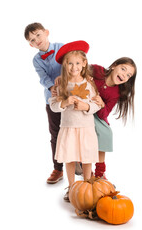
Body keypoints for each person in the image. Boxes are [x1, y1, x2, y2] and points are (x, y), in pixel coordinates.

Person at [48, 40, 101, 201]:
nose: (74, 67)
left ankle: (86, 185)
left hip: (86, 127)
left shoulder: (89, 83)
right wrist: (64, 103)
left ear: (84, 63)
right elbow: (54, 105)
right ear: (64, 65)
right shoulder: (61, 85)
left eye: (77, 63)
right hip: (68, 127)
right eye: (69, 63)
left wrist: (86, 106)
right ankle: (71, 188)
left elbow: (96, 104)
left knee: (86, 159)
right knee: (69, 158)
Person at [24, 22, 64, 183]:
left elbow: (73, 65)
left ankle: (81, 165)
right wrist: (52, 86)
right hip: (52, 99)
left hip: (71, 95)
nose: (36, 40)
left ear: (46, 32)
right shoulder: (36, 60)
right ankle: (58, 168)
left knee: (76, 130)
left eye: (38, 35)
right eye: (32, 40)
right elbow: (43, 77)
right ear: (30, 45)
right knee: (55, 134)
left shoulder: (61, 47)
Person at [90, 57, 137, 178]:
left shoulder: (115, 93)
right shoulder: (97, 70)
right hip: (81, 105)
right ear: (113, 66)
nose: (124, 75)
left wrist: (101, 104)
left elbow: (104, 114)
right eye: (123, 69)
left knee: (105, 133)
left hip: (96, 113)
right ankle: (81, 163)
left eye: (128, 75)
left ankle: (100, 171)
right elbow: (79, 70)